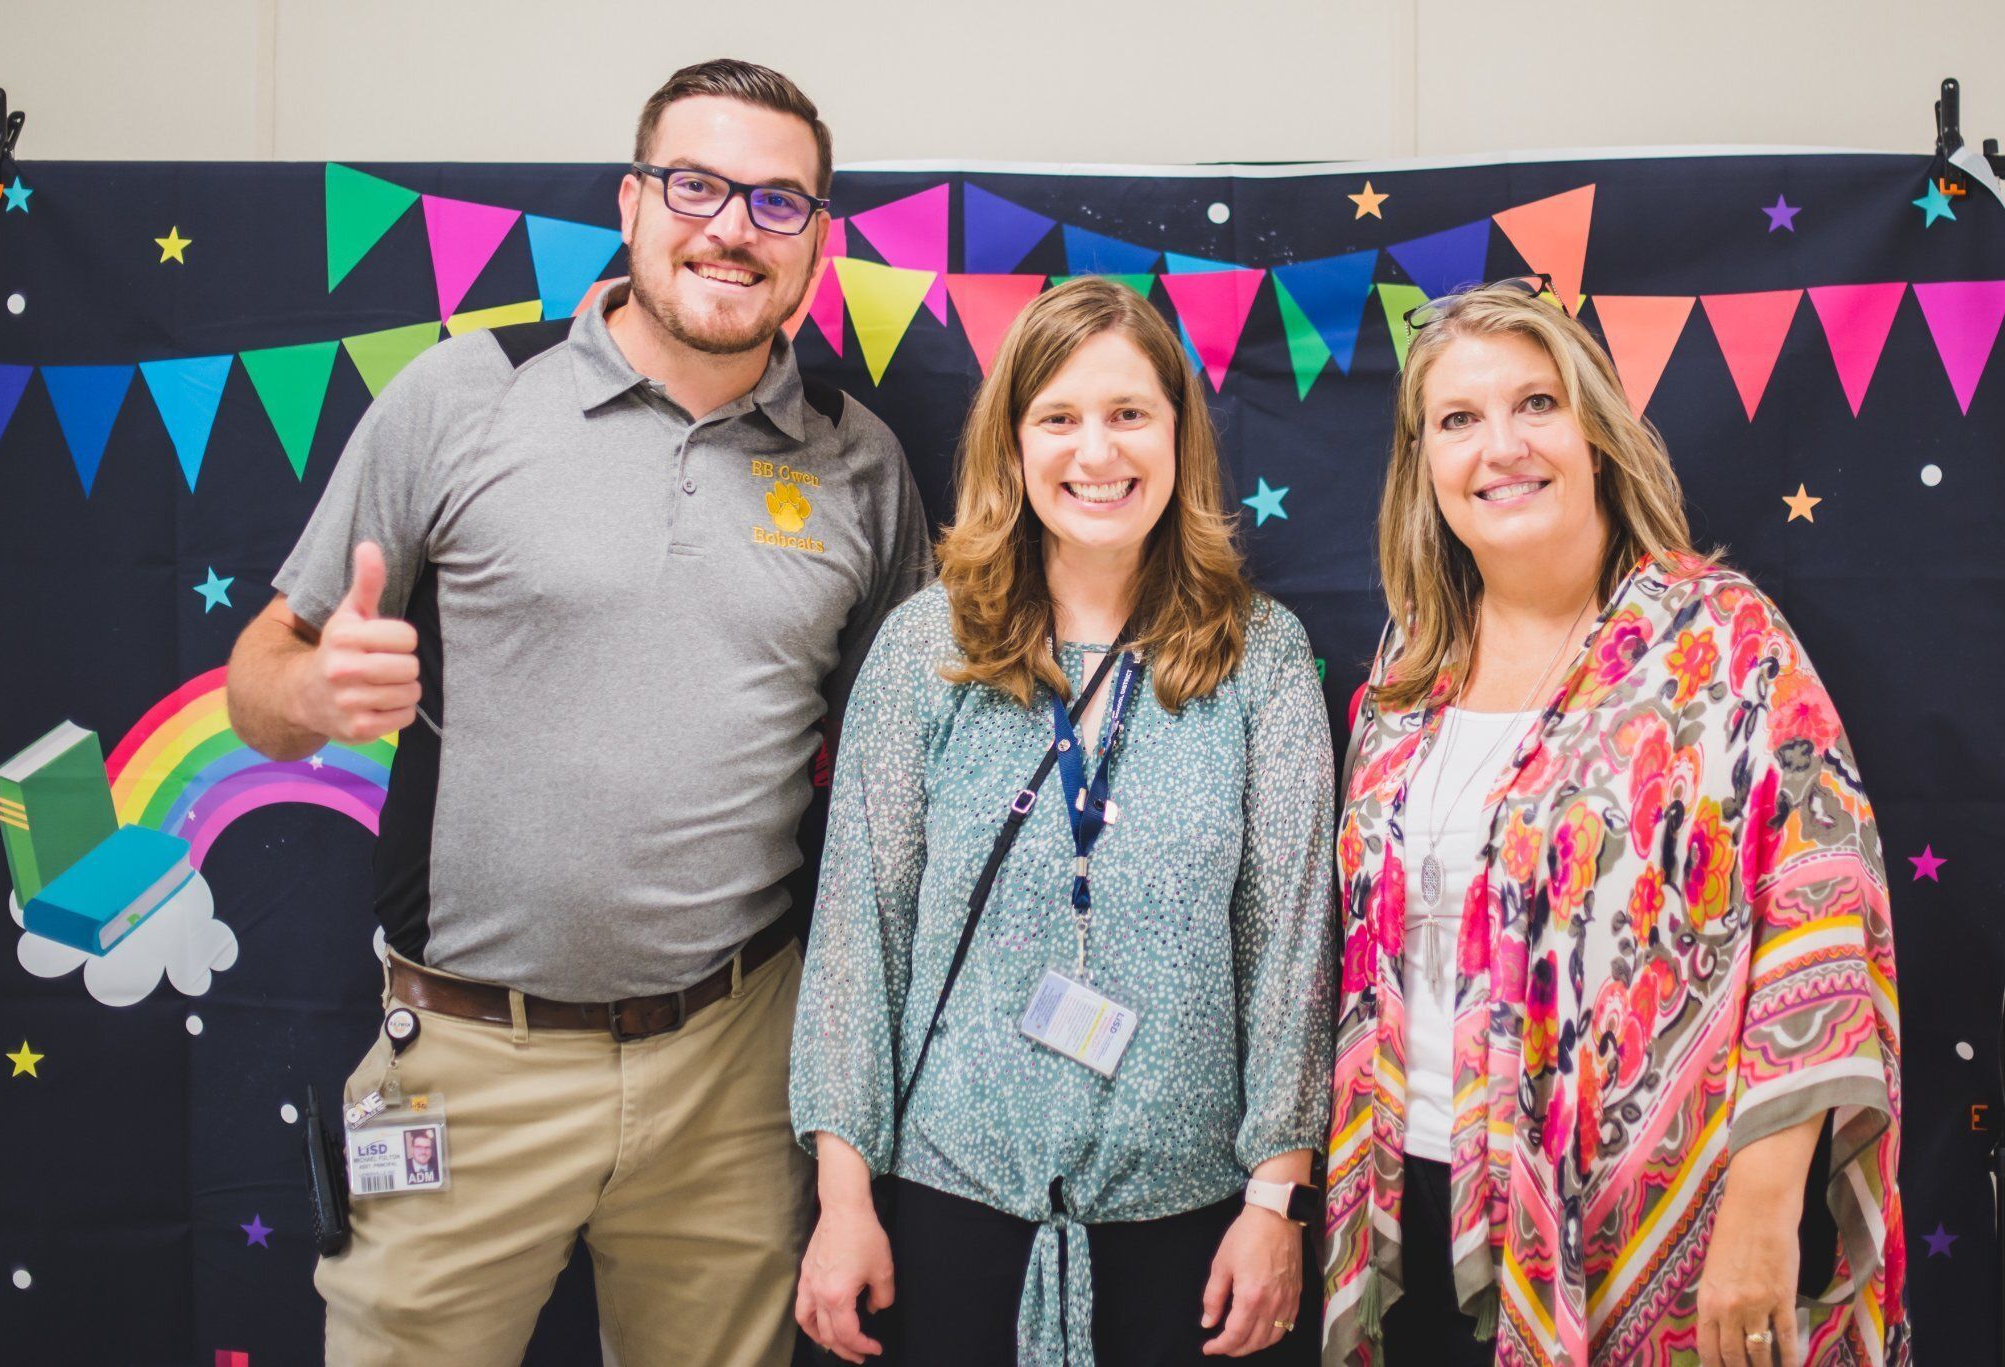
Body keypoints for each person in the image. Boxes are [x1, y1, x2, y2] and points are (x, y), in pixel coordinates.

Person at [225, 59, 929, 1367]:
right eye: (699, 185)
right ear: (632, 199)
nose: (732, 227)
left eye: (779, 202)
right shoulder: (464, 395)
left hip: (735, 1063)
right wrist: (316, 689)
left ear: (819, 242)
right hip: (466, 1063)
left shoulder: (860, 460)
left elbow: (905, 762)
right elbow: (257, 679)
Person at [1318, 280, 1909, 1366]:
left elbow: (1820, 917)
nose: (1500, 445)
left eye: (1533, 402)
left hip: (1667, 1220)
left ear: (1591, 428)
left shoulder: (1715, 636)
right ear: (1423, 465)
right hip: (1428, 1194)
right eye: (1457, 419)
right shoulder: (1405, 676)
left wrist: (1762, 1213)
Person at [790, 277, 1337, 1366]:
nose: (1097, 451)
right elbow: (860, 929)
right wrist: (843, 1199)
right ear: (1012, 443)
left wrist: (1274, 1203)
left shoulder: (1256, 656)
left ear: (1178, 433)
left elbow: (1288, 949)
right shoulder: (924, 648)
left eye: (1129, 413)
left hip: (1193, 1222)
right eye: (1059, 417)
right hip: (942, 1205)